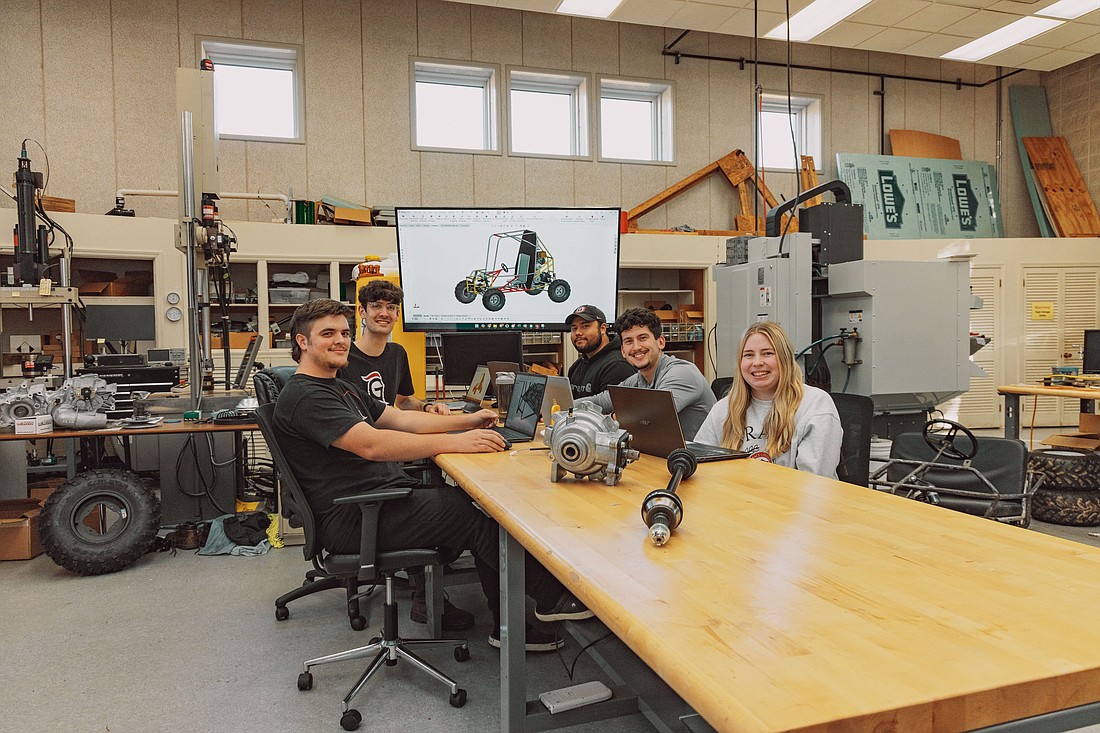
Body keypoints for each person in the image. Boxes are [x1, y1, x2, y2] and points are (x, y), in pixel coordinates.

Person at [273, 299, 592, 651]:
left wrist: (467, 421)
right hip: (353, 517)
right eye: (328, 334)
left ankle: (510, 621)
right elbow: (373, 446)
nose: (341, 340)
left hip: (376, 500)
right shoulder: (306, 395)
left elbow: (401, 419)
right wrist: (460, 444)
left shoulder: (338, 385)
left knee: (474, 506)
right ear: (303, 342)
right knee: (479, 514)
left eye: (345, 333)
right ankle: (547, 604)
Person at [694, 321, 842, 477]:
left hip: (792, 500)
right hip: (737, 498)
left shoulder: (816, 405)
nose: (757, 362)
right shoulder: (724, 409)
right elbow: (700, 468)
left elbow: (813, 482)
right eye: (749, 355)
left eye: (767, 353)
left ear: (785, 359)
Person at [577, 307, 715, 440]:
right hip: (666, 457)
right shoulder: (638, 380)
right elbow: (601, 401)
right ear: (623, 351)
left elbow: (650, 418)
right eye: (629, 341)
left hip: (701, 460)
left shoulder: (683, 373)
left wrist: (612, 417)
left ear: (660, 342)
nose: (636, 347)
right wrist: (563, 407)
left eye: (642, 338)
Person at [338, 279, 449, 414]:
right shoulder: (342, 356)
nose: (384, 313)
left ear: (397, 314)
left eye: (391, 307)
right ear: (362, 311)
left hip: (389, 431)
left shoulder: (398, 353)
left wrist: (427, 407)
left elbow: (403, 401)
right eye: (376, 306)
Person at [564, 304, 635, 400]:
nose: (578, 333)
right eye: (574, 328)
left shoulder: (617, 365)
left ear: (603, 329)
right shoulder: (576, 366)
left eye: (585, 326)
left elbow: (614, 411)